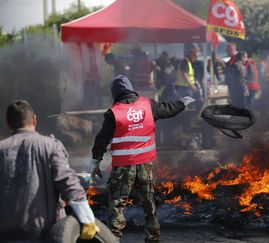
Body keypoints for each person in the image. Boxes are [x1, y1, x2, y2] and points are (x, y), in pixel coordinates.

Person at [89, 75, 195, 242]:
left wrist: (95, 162)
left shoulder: (114, 113)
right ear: (131, 89)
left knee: (117, 206)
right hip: (145, 165)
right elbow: (169, 109)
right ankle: (153, 238)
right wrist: (183, 102)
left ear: (115, 93)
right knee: (148, 204)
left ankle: (113, 240)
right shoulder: (148, 105)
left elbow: (101, 140)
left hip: (123, 168)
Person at [0, 100, 99, 240]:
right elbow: (67, 181)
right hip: (44, 232)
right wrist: (87, 218)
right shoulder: (50, 146)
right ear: (34, 120)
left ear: (8, 124)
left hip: (5, 233)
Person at [225, 43, 247, 107]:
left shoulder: (238, 58)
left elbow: (242, 74)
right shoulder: (229, 60)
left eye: (230, 49)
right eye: (227, 49)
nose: (228, 51)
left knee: (240, 105)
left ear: (234, 49)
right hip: (233, 88)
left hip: (239, 88)